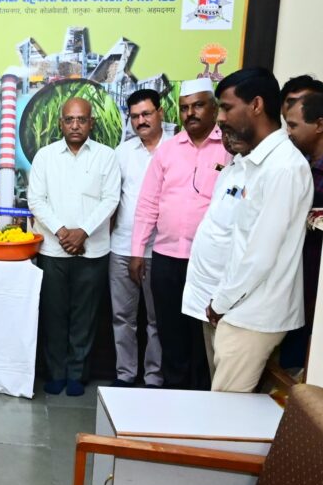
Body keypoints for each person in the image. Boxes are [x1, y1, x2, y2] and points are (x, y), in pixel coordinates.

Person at [207, 67, 313, 392]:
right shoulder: (257, 162)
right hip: (241, 308)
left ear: (256, 105)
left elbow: (260, 255)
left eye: (227, 107)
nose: (220, 118)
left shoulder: (283, 167)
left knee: (224, 414)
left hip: (252, 315)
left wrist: (221, 302)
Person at [130, 78, 231, 390]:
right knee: (170, 333)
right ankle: (174, 395)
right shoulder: (168, 150)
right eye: (185, 107)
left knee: (202, 336)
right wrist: (137, 251)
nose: (191, 113)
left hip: (209, 262)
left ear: (213, 108)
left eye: (198, 105)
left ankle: (200, 398)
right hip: (167, 258)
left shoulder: (229, 149)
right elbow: (148, 203)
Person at [27, 98, 120, 397]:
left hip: (93, 250)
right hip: (53, 250)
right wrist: (62, 232)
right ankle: (56, 373)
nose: (75, 125)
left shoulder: (106, 156)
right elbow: (36, 200)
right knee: (53, 315)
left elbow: (110, 199)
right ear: (61, 124)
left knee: (85, 316)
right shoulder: (45, 156)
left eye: (81, 119)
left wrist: (83, 232)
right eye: (69, 120)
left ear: (92, 123)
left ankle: (77, 374)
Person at [108, 89, 165, 388]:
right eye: (134, 116)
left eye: (146, 114)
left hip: (162, 250)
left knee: (157, 320)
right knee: (122, 317)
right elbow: (112, 198)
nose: (140, 121)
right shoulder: (123, 152)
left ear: (160, 113)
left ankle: (154, 378)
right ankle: (125, 375)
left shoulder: (175, 149)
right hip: (122, 247)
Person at [278, 92, 323, 369]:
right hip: (296, 283)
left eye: (293, 125)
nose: (288, 133)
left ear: (320, 125)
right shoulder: (301, 164)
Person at [182, 133, 243, 379]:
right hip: (210, 293)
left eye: (232, 130)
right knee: (214, 369)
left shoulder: (262, 173)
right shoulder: (230, 170)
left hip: (230, 294)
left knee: (227, 378)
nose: (226, 137)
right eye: (223, 130)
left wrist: (223, 298)